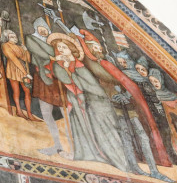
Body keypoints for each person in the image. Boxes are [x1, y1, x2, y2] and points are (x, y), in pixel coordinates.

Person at [75, 30, 173, 181]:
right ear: (88, 49)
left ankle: (153, 170)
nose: (99, 49)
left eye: (99, 47)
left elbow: (124, 80)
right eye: (94, 47)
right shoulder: (96, 64)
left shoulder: (107, 62)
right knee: (125, 135)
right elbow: (109, 78)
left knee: (142, 134)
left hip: (128, 103)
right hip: (115, 105)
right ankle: (134, 167)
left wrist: (127, 94)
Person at [47, 34, 130, 171]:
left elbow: (90, 86)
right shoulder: (60, 64)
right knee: (80, 126)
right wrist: (65, 67)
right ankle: (85, 154)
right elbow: (65, 79)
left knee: (103, 130)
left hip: (95, 102)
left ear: (71, 49)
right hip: (78, 102)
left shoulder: (80, 66)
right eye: (58, 47)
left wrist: (70, 71)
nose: (60, 49)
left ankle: (118, 161)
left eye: (64, 47)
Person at [26, 17, 66, 156]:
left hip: (58, 79)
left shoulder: (54, 42)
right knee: (46, 112)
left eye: (45, 29)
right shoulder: (32, 39)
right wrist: (52, 57)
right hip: (42, 77)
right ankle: (56, 144)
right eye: (41, 29)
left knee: (66, 112)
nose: (43, 31)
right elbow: (39, 52)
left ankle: (70, 146)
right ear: (36, 29)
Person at [0, 30, 36, 121]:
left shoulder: (19, 47)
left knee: (27, 91)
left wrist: (26, 51)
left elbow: (27, 60)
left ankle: (29, 114)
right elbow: (14, 59)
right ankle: (19, 111)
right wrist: (26, 74)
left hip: (22, 68)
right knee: (16, 91)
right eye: (12, 37)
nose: (14, 38)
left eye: (15, 36)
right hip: (13, 69)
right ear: (7, 38)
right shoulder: (5, 46)